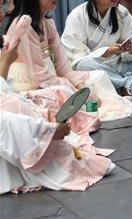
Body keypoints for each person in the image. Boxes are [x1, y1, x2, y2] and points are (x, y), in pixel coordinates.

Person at [3, 0, 132, 121]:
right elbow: (38, 76)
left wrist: (79, 86)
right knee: (64, 92)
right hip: (27, 84)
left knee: (99, 77)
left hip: (50, 78)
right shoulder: (24, 26)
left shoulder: (47, 23)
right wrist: (74, 88)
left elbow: (62, 65)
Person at [1, 37, 114, 194]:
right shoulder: (22, 32)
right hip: (24, 88)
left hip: (25, 89)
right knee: (15, 105)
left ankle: (51, 136)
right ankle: (51, 144)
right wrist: (48, 130)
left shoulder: (45, 26)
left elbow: (61, 64)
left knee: (61, 92)